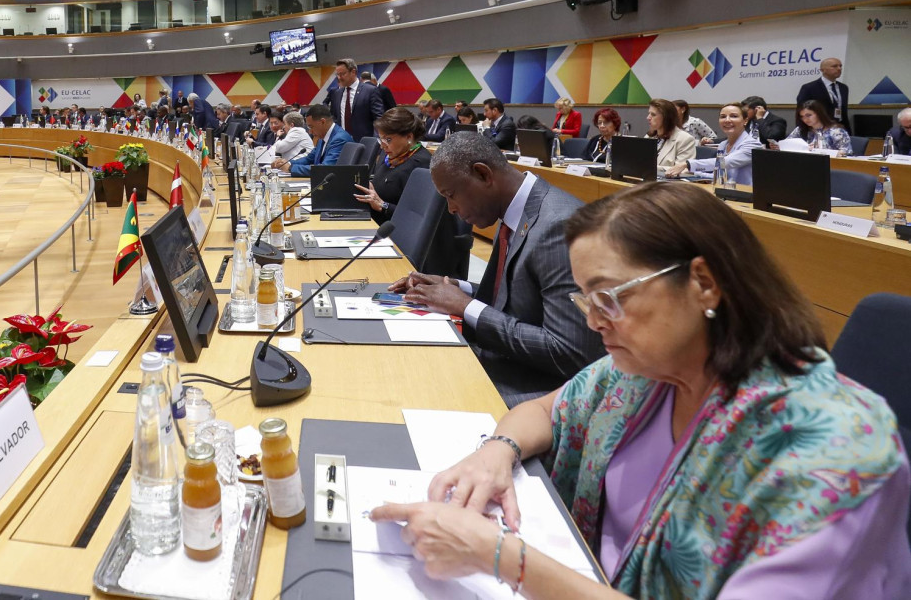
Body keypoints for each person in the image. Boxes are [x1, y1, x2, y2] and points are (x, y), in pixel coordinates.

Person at [372, 182, 910, 599]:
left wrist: (500, 559)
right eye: (586, 300)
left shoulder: (838, 454)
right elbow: (545, 409)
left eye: (610, 298)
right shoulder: (644, 370)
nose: (594, 322)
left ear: (703, 282)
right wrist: (495, 452)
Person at [389, 133, 601, 403]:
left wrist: (465, 306)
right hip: (506, 361)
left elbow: (569, 351)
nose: (451, 209)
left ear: (482, 174)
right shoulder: (515, 206)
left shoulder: (558, 227)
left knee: (410, 392)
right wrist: (456, 288)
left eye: (451, 195)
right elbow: (522, 297)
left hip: (538, 391)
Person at [353, 108, 432, 224]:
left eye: (388, 140)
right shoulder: (390, 156)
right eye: (381, 139)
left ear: (408, 137)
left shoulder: (421, 165)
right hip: (371, 220)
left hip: (393, 231)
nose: (383, 146)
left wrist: (383, 205)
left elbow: (418, 217)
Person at [665, 102, 762, 184]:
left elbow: (726, 162)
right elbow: (720, 176)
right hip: (727, 192)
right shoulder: (723, 145)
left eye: (734, 116)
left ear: (745, 121)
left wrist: (687, 164)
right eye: (723, 117)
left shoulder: (752, 145)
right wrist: (692, 173)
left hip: (747, 198)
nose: (727, 120)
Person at [272, 104, 352, 177]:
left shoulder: (339, 139)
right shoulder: (323, 137)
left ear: (322, 122)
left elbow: (326, 169)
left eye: (311, 127)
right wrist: (286, 163)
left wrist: (290, 168)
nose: (310, 131)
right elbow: (309, 159)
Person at [328, 58, 384, 141]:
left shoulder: (370, 91)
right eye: (337, 74)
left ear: (353, 72)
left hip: (364, 142)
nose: (339, 78)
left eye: (342, 74)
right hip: (341, 141)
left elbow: (379, 118)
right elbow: (334, 117)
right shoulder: (337, 93)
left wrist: (377, 140)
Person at [796, 57, 849, 132]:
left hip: (840, 127)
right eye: (834, 66)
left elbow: (843, 110)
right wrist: (803, 132)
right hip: (818, 129)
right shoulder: (809, 87)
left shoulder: (843, 88)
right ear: (822, 70)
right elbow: (801, 111)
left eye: (840, 66)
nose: (839, 68)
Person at [781, 100, 852, 154]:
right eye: (802, 117)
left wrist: (817, 151)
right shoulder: (800, 129)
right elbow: (788, 144)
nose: (805, 119)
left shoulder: (836, 131)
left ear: (819, 113)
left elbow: (846, 152)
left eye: (808, 115)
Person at [645, 98, 696, 169]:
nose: (648, 117)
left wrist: (648, 167)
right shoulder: (648, 136)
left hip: (667, 180)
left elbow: (681, 170)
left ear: (666, 117)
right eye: (649, 113)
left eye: (653, 114)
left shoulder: (685, 139)